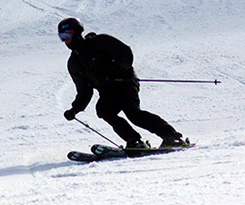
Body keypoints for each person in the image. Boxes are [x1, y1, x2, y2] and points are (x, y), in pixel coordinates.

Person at [58, 17, 189, 149]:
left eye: (67, 34)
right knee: (104, 110)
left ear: (76, 31)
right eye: (62, 37)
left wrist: (115, 70)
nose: (66, 40)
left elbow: (125, 54)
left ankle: (172, 136)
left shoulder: (100, 42)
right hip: (108, 92)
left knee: (133, 113)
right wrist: (75, 109)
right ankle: (135, 141)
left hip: (125, 83)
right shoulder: (74, 63)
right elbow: (84, 90)